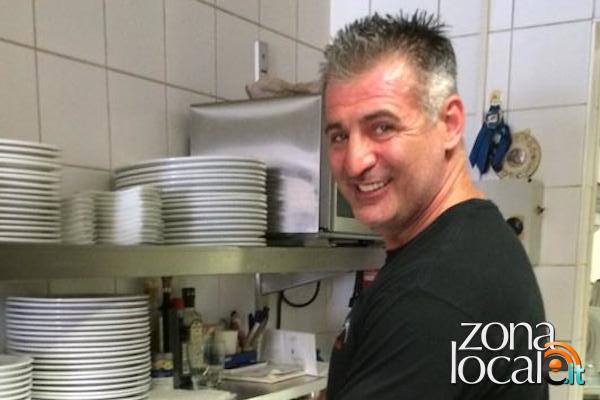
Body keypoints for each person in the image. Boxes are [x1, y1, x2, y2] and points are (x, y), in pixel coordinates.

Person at [321, 11, 548, 400]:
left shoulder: (430, 295)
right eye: (339, 135)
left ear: (450, 123)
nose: (355, 162)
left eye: (382, 127)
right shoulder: (473, 243)